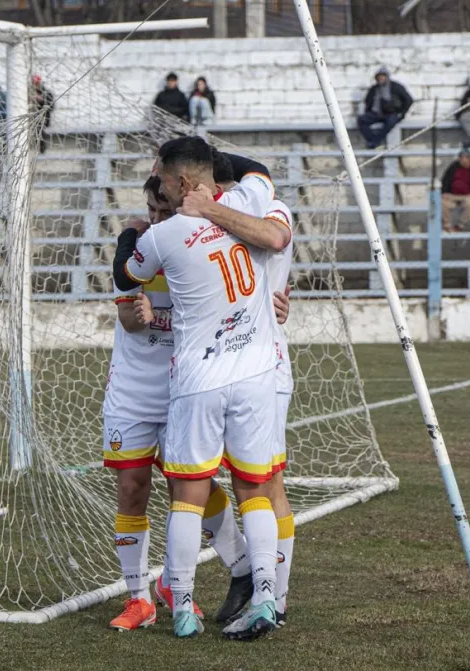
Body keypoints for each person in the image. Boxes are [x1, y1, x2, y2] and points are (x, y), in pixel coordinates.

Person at [104, 164, 293, 633]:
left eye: (161, 208)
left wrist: (277, 303)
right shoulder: (153, 241)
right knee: (134, 489)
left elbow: (261, 269)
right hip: (138, 387)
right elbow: (126, 305)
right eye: (147, 211)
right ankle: (142, 598)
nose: (153, 218)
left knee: (194, 489)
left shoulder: (201, 235)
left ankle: (225, 579)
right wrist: (139, 313)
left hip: (196, 383)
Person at [358, 67, 413, 149]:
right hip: (376, 114)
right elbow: (368, 101)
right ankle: (373, 140)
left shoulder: (396, 87)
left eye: (382, 76)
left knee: (390, 122)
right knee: (362, 120)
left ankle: (375, 142)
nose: (381, 78)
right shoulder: (374, 89)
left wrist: (402, 113)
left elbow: (409, 100)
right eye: (379, 77)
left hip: (391, 113)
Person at [441, 149, 470, 232]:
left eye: (467, 158)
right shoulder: (453, 167)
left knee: (469, 203)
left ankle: (460, 225)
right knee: (441, 202)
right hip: (453, 196)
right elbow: (445, 181)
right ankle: (447, 225)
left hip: (469, 195)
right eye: (462, 158)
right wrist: (444, 193)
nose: (464, 161)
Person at [31, 74, 55, 153]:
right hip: (31, 118)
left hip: (43, 118)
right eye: (33, 83)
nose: (35, 85)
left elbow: (51, 107)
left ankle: (41, 149)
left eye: (36, 83)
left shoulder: (47, 93)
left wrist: (42, 101)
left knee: (39, 128)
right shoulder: (27, 93)